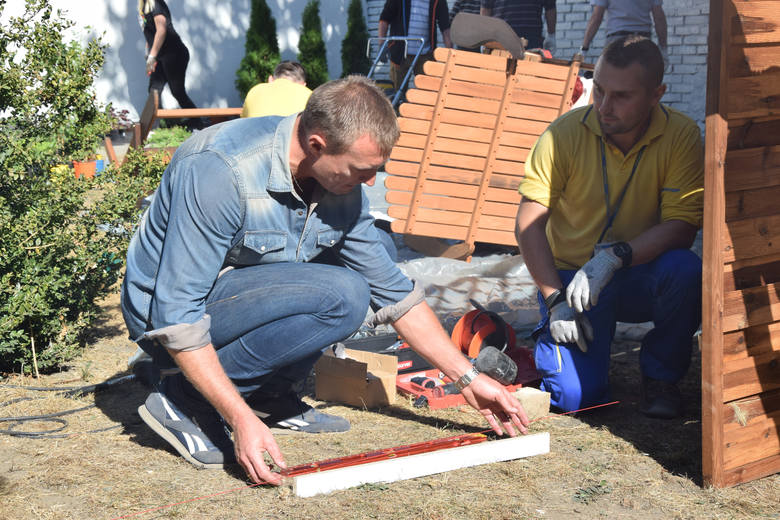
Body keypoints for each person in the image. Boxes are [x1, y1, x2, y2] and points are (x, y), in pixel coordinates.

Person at [121, 75, 529, 485]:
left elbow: (394, 294)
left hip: (232, 303)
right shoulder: (221, 169)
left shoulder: (337, 182)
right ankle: (184, 398)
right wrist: (238, 418)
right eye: (362, 170)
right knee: (343, 292)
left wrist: (468, 379)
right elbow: (177, 312)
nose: (370, 183)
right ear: (317, 144)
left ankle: (266, 395)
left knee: (365, 274)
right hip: (170, 318)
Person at [515, 36, 703, 420]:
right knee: (573, 401)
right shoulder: (562, 134)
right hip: (571, 282)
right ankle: (563, 354)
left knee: (686, 270)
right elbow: (527, 226)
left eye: (621, 96)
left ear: (656, 94)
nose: (603, 105)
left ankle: (661, 376)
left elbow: (682, 227)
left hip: (639, 273)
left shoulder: (681, 135)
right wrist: (555, 301)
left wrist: (616, 258)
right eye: (598, 89)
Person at [138, 0, 201, 127]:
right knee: (154, 90)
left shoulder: (156, 4)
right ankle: (160, 126)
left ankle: (198, 123)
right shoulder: (143, 6)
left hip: (175, 54)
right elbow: (150, 33)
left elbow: (161, 30)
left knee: (177, 91)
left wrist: (152, 56)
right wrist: (149, 55)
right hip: (160, 56)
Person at [378, 0, 453, 95]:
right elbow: (384, 19)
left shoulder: (437, 1)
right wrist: (381, 45)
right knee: (396, 93)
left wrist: (450, 55)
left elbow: (445, 28)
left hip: (426, 55)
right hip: (400, 54)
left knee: (428, 92)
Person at [580, 1, 668, 67]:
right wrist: (663, 48)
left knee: (614, 82)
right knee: (641, 83)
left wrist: (584, 49)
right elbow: (659, 17)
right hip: (643, 41)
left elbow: (596, 17)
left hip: (617, 42)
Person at [241, 61, 313, 118]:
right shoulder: (309, 95)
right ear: (304, 85)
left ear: (270, 79)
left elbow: (244, 119)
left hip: (256, 135)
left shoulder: (255, 90)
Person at [480, 0, 557, 54]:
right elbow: (550, 8)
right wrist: (551, 35)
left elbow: (486, 9)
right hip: (504, 38)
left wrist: (551, 35)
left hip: (529, 38)